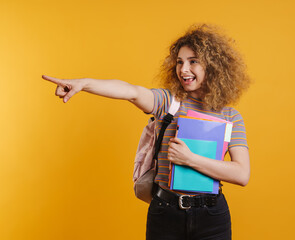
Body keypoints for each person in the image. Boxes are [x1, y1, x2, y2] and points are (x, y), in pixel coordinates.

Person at [43, 24, 250, 240]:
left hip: (212, 217)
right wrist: (84, 84)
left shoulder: (230, 116)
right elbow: (131, 92)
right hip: (165, 213)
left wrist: (189, 159)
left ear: (213, 65)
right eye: (179, 62)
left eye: (193, 61)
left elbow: (242, 174)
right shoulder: (169, 102)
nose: (183, 69)